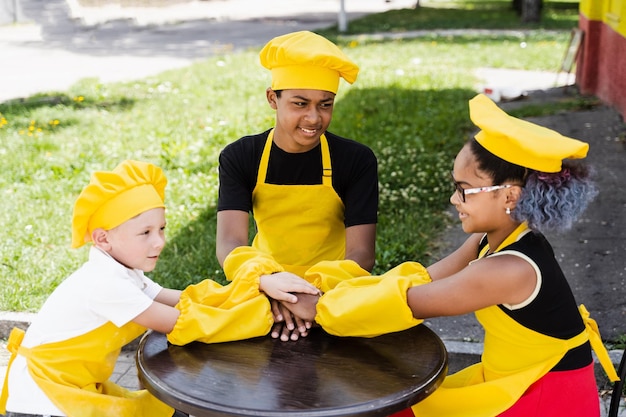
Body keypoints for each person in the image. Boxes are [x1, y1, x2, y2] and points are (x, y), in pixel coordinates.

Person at [283, 94, 619, 417]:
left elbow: (411, 302)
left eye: (463, 190)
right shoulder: (492, 241)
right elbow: (423, 278)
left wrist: (319, 308)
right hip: (511, 382)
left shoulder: (507, 270)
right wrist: (337, 293)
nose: (453, 201)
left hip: (543, 401)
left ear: (510, 196)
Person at [0, 160, 319, 417]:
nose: (160, 242)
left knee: (160, 409)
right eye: (146, 233)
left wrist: (255, 289)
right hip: (43, 399)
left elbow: (184, 300)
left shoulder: (122, 271)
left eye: (162, 229)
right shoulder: (105, 284)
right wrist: (263, 314)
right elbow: (181, 323)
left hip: (76, 384)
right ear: (102, 238)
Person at [216, 30, 379, 341]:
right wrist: (271, 283)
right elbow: (229, 243)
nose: (313, 118)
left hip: (333, 289)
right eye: (300, 103)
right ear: (272, 99)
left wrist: (310, 296)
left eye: (325, 104)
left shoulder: (355, 160)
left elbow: (362, 253)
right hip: (263, 283)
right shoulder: (241, 156)